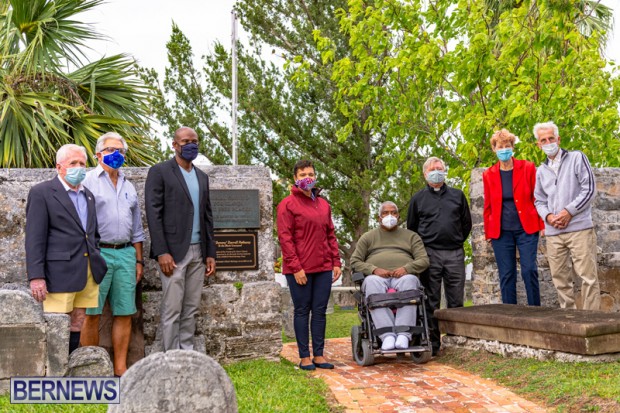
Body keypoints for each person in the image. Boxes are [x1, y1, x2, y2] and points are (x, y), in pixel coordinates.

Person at [25, 144, 108, 354]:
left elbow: (92, 233)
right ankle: (54, 373)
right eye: (73, 163)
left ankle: (69, 366)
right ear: (59, 167)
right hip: (59, 273)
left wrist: (97, 258)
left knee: (78, 320)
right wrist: (36, 276)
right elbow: (34, 238)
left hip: (87, 270)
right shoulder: (42, 193)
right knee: (57, 324)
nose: (79, 167)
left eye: (82, 163)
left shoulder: (88, 195)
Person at [145, 127, 217, 351]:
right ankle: (170, 355)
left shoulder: (202, 177)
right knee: (172, 307)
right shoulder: (160, 172)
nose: (190, 145)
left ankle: (187, 353)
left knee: (191, 307)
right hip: (174, 253)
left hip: (199, 251)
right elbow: (153, 214)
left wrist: (210, 253)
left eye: (194, 141)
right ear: (174, 145)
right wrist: (161, 251)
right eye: (185, 141)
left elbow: (207, 217)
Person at [80, 132, 145, 376]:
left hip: (126, 254)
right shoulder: (87, 181)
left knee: (125, 312)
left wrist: (138, 259)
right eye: (110, 149)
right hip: (98, 253)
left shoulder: (129, 185)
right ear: (98, 154)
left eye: (120, 150)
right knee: (92, 313)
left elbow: (137, 229)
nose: (115, 154)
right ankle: (89, 369)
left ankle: (120, 368)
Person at [277, 160, 342, 370]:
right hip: (300, 270)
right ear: (295, 179)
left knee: (320, 311)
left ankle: (319, 355)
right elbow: (285, 239)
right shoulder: (286, 205)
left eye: (311, 174)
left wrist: (336, 261)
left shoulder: (324, 204)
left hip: (323, 266)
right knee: (302, 310)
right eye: (303, 174)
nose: (308, 177)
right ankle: (304, 356)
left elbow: (330, 234)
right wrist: (296, 267)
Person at [407, 157, 472, 356]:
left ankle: (455, 341)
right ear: (425, 174)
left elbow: (466, 223)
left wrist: (456, 240)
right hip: (429, 254)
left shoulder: (457, 195)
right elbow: (412, 228)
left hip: (454, 253)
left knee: (456, 300)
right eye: (433, 169)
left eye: (440, 168)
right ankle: (433, 343)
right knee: (431, 300)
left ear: (445, 171)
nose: (437, 171)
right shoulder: (418, 199)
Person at [533, 121, 600, 310]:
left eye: (551, 138)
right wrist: (548, 217)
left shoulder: (577, 158)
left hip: (579, 228)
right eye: (543, 140)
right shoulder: (541, 171)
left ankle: (591, 322)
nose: (548, 142)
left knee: (588, 277)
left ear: (558, 139)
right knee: (560, 280)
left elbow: (589, 189)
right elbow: (539, 200)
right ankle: (569, 321)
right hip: (554, 233)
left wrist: (568, 211)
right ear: (538, 144)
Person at [352, 201, 429, 351]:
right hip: (377, 277)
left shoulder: (411, 236)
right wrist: (374, 269)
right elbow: (355, 261)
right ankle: (386, 335)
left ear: (399, 216)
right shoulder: (368, 237)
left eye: (393, 213)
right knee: (371, 282)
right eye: (385, 213)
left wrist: (407, 268)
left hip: (403, 276)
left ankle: (403, 335)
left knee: (411, 282)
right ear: (378, 217)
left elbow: (424, 260)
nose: (390, 216)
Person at [482, 129, 544, 307]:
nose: (504, 149)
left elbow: (536, 197)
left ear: (512, 147)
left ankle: (535, 311)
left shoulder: (528, 167)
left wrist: (542, 225)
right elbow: (488, 205)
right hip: (501, 232)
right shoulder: (489, 174)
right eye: (500, 147)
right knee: (507, 274)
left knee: (529, 270)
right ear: (494, 149)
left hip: (527, 228)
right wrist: (488, 233)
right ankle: (510, 315)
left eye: (507, 146)